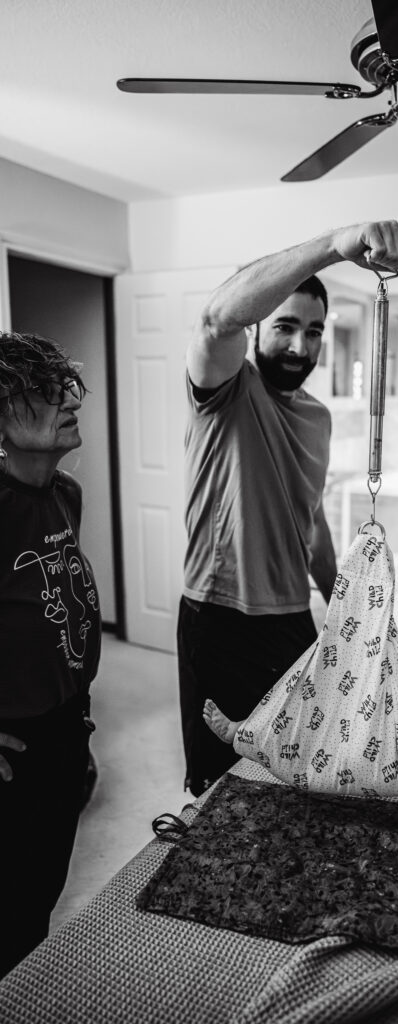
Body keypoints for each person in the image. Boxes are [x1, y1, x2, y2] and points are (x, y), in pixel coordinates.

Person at [178, 219, 398, 796]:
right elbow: (217, 318)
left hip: (290, 618)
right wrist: (336, 247)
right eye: (285, 326)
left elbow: (309, 519)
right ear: (257, 327)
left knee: (303, 763)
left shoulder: (318, 418)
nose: (300, 346)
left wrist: (345, 606)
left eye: (313, 332)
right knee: (224, 784)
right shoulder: (226, 389)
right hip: (220, 617)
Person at [0, 331, 101, 978]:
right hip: (16, 744)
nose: (67, 399)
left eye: (63, 384)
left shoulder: (66, 493)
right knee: (10, 912)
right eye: (40, 391)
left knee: (40, 893)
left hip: (69, 723)